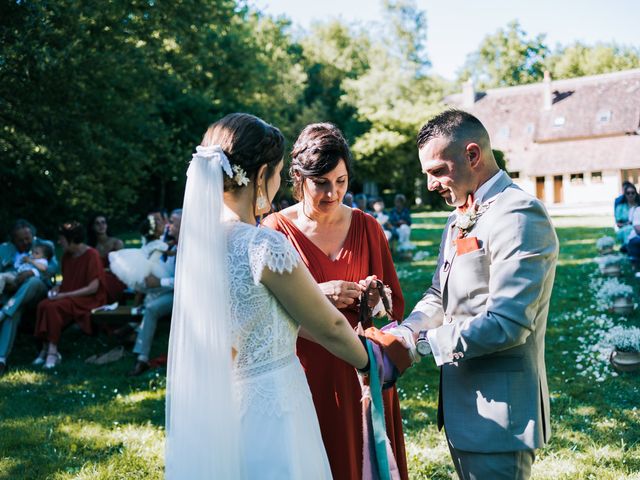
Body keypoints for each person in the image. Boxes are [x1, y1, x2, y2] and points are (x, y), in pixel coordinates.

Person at [164, 113, 370, 479]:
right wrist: (372, 364)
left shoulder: (200, 247)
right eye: (276, 174)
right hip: (276, 407)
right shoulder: (263, 244)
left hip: (225, 406)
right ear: (261, 176)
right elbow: (330, 326)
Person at [391, 109, 558, 480]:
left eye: (437, 171)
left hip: (501, 417)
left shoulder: (519, 214)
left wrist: (422, 344)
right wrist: (407, 329)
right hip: (464, 409)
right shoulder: (458, 216)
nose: (432, 184)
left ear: (472, 155)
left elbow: (508, 323)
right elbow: (440, 292)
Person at [263, 122, 409, 480]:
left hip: (359, 366)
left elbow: (393, 309)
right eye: (322, 183)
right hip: (305, 369)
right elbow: (263, 311)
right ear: (298, 179)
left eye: (341, 181)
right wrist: (318, 294)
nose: (333, 193)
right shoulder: (274, 231)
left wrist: (376, 299)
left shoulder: (368, 226)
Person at [33, 221, 106, 369]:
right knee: (43, 304)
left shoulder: (91, 255)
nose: (59, 242)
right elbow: (68, 280)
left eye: (62, 238)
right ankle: (45, 348)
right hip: (71, 295)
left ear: (72, 239)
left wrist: (64, 295)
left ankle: (52, 351)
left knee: (54, 307)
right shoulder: (66, 256)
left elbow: (93, 287)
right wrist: (57, 288)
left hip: (88, 299)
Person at [127, 209, 181, 376]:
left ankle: (134, 331)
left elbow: (187, 281)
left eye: (172, 222)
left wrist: (159, 282)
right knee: (148, 299)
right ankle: (142, 358)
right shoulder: (172, 243)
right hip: (172, 290)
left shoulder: (191, 248)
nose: (167, 225)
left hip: (187, 297)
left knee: (151, 301)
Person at [0, 220, 58, 375]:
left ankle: (5, 310)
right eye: (21, 240)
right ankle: (1, 360)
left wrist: (33, 271)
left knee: (33, 281)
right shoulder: (4, 249)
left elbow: (53, 268)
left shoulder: (45, 245)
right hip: (14, 293)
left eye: (28, 238)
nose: (26, 242)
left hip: (38, 290)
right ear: (13, 239)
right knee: (13, 313)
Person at [109, 214, 171, 293]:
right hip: (153, 268)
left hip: (144, 261)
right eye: (161, 225)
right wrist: (174, 252)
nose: (164, 226)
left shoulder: (149, 242)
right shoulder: (160, 245)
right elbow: (156, 257)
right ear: (156, 232)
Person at [87, 213, 126, 303]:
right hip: (96, 278)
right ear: (92, 227)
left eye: (103, 222)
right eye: (97, 223)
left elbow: (121, 267)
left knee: (101, 281)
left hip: (114, 277)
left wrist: (103, 271)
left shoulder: (116, 243)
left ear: (107, 225)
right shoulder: (90, 247)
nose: (101, 226)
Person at [614, 183, 639, 247]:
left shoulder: (638, 206)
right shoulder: (620, 207)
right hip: (625, 228)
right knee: (629, 229)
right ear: (625, 194)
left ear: (636, 194)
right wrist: (628, 223)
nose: (630, 195)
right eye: (628, 193)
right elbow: (618, 224)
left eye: (632, 193)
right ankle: (627, 248)